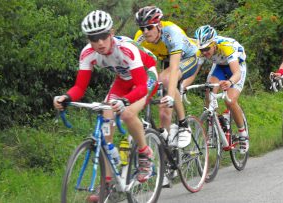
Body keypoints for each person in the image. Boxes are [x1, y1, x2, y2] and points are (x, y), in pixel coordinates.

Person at [53, 10, 159, 183]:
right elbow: (80, 87)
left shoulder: (126, 49)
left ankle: (144, 153)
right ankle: (108, 182)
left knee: (127, 113)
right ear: (89, 40)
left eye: (103, 36)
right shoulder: (87, 53)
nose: (100, 43)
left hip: (146, 77)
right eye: (94, 39)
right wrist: (66, 97)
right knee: (105, 114)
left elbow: (140, 87)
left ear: (112, 34)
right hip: (123, 79)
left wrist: (125, 101)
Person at [134, 6, 199, 148]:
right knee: (164, 112)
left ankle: (183, 124)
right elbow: (137, 67)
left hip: (187, 57)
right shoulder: (139, 37)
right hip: (167, 60)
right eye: (142, 28)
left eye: (149, 27)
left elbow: (174, 69)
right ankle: (166, 145)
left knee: (166, 80)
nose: (145, 32)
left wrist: (170, 96)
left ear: (158, 25)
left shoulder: (172, 33)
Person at [194, 25, 249, 154]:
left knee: (230, 101)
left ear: (214, 44)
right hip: (220, 66)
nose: (204, 52)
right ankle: (213, 126)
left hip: (237, 67)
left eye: (207, 49)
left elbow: (237, 73)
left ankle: (242, 134)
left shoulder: (226, 47)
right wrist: (182, 85)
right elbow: (193, 73)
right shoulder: (201, 52)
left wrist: (229, 82)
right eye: (201, 50)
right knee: (209, 90)